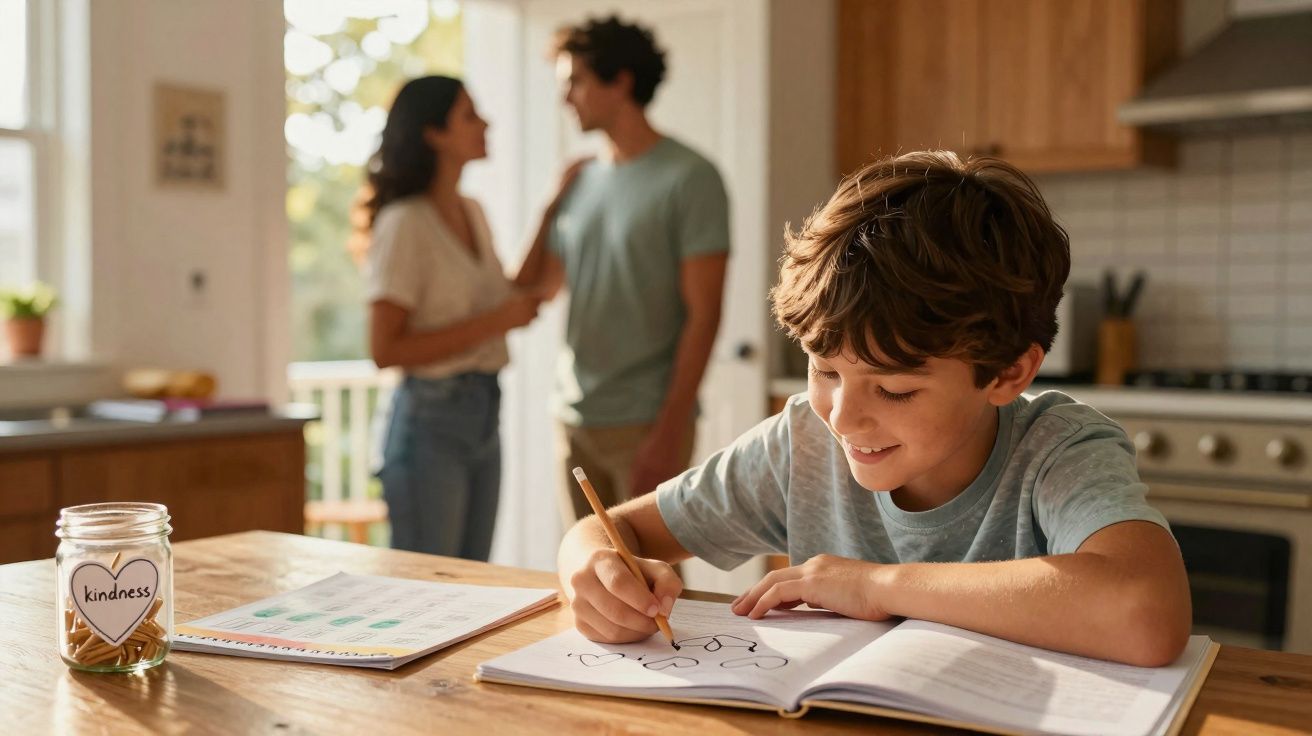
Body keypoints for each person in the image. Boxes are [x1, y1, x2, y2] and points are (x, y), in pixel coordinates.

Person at [555, 151, 1193, 667]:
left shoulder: (1058, 450)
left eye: (895, 390)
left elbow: (1145, 614)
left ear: (1007, 373)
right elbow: (608, 529)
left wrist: (875, 585)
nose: (842, 417)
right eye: (825, 370)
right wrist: (594, 568)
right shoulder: (802, 444)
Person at [514, 16, 731, 529]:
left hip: (646, 421)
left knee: (652, 571)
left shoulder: (691, 178)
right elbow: (537, 289)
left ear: (621, 82)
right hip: (573, 417)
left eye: (576, 81)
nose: (566, 98)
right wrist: (548, 207)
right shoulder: (579, 181)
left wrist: (669, 431)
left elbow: (704, 315)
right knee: (587, 566)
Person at [366, 76, 566, 560]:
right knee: (431, 585)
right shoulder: (404, 223)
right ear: (434, 133)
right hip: (430, 425)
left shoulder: (472, 211)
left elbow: (507, 295)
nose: (486, 124)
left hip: (483, 412)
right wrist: (498, 321)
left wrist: (552, 211)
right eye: (470, 115)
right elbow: (385, 350)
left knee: (474, 580)